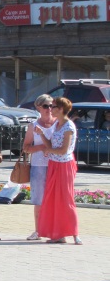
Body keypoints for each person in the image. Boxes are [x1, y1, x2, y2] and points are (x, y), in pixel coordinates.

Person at [35, 97, 81, 245]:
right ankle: (59, 234)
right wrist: (41, 134)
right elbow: (51, 145)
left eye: (53, 107)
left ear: (61, 109)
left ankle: (75, 234)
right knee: (53, 199)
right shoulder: (57, 124)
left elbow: (63, 150)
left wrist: (49, 150)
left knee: (66, 199)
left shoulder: (69, 126)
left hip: (64, 165)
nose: (51, 109)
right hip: (54, 164)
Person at [22, 94, 55, 241]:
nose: (49, 109)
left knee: (54, 199)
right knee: (39, 200)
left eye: (51, 106)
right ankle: (38, 230)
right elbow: (26, 147)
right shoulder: (33, 125)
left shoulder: (58, 123)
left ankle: (55, 230)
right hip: (39, 165)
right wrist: (41, 147)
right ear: (38, 107)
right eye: (46, 106)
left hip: (55, 165)